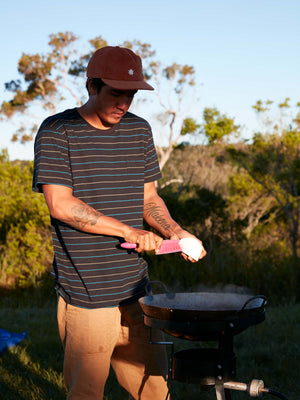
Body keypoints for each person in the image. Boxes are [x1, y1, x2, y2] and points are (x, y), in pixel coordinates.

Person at [32, 46, 206, 400]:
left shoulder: (139, 131)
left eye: (130, 95)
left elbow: (149, 199)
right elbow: (62, 205)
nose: (124, 103)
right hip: (86, 295)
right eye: (115, 93)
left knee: (155, 392)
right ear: (92, 87)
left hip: (136, 292)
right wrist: (127, 231)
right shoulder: (57, 131)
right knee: (86, 394)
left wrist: (176, 232)